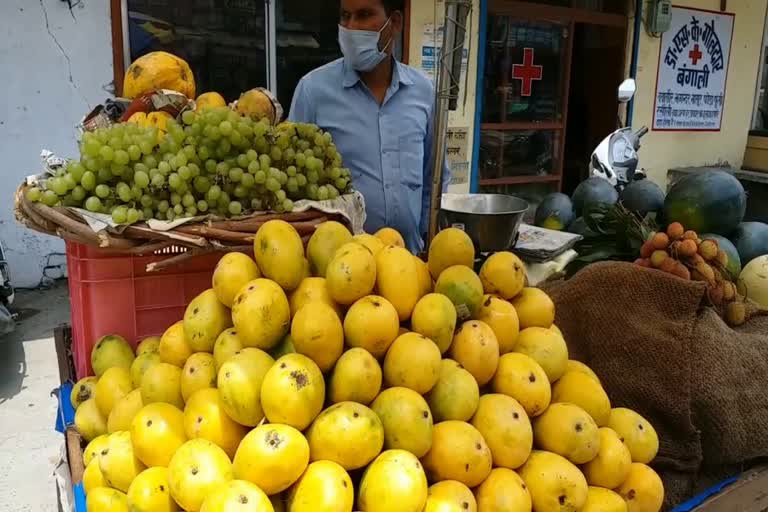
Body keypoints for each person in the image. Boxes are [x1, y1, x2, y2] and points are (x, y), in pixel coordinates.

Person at [289, 0, 450, 253]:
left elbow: (435, 175)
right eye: (345, 16)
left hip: (409, 267)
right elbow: (293, 183)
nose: (351, 27)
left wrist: (424, 238)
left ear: (394, 23)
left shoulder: (423, 91)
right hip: (339, 273)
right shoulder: (313, 91)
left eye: (364, 15)